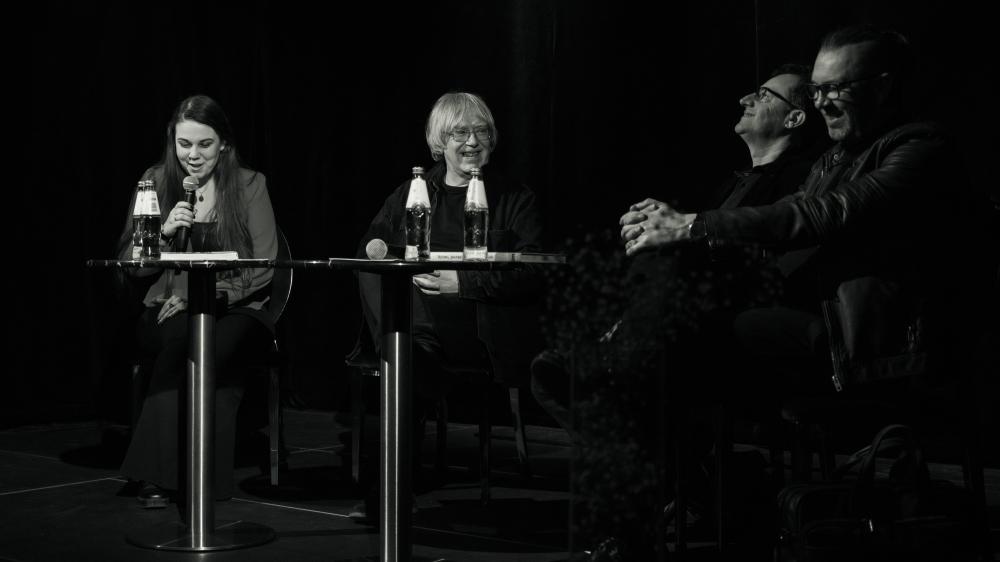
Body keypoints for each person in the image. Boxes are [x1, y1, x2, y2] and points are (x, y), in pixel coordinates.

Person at [620, 23, 983, 402]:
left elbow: (826, 214)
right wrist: (671, 228)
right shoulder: (832, 161)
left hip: (882, 343)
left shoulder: (921, 147)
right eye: (816, 90)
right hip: (826, 321)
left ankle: (617, 394)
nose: (822, 102)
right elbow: (786, 211)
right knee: (679, 306)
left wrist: (693, 225)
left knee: (700, 334)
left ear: (883, 87)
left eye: (836, 88)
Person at [532, 63, 824, 436]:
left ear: (794, 118)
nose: (745, 99)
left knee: (660, 266)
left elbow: (760, 246)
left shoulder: (800, 178)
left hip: (741, 298)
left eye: (765, 96)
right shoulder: (733, 183)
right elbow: (696, 235)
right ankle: (621, 386)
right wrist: (649, 226)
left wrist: (669, 234)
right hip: (694, 299)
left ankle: (613, 370)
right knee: (628, 259)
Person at [352, 91, 545, 520]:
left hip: (481, 332)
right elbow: (371, 248)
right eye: (460, 133)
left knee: (401, 360)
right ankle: (400, 347)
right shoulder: (414, 192)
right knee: (373, 275)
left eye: (481, 132)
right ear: (440, 141)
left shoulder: (514, 197)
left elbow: (535, 273)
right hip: (418, 331)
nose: (472, 142)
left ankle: (386, 493)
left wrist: (464, 283)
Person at [115, 94, 279, 507]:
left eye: (205, 144)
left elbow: (264, 266)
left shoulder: (250, 185)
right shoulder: (154, 181)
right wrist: (162, 233)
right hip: (167, 306)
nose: (193, 155)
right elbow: (132, 267)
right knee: (182, 342)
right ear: (172, 142)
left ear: (224, 144)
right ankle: (191, 478)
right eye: (184, 144)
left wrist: (209, 296)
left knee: (210, 346)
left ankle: (166, 476)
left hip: (239, 307)